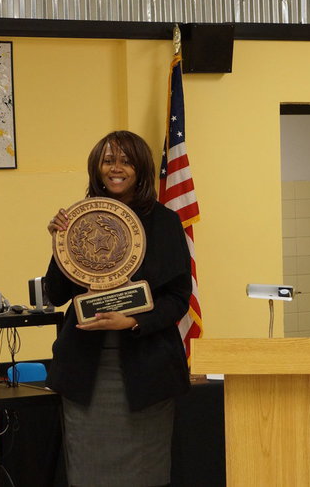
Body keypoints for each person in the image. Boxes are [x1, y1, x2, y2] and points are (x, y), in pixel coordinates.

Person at [44, 130, 192, 487]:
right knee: (88, 474)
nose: (116, 168)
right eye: (108, 160)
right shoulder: (78, 221)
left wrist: (133, 321)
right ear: (97, 167)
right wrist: (60, 245)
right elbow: (56, 293)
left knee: (145, 475)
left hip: (146, 371)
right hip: (86, 372)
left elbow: (177, 298)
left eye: (125, 161)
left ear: (140, 169)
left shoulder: (165, 222)